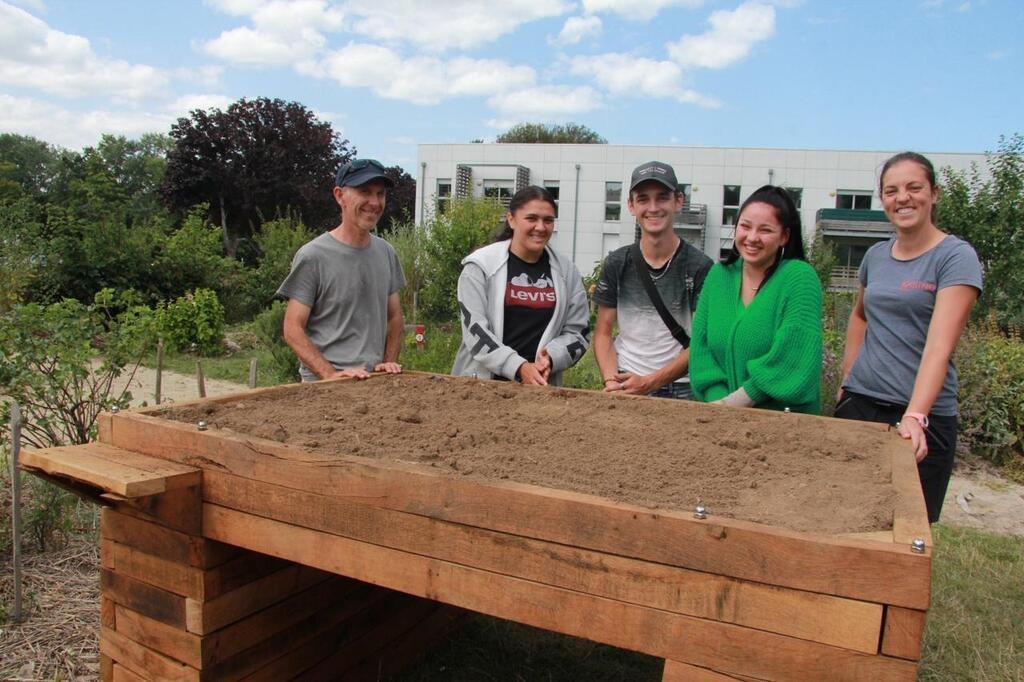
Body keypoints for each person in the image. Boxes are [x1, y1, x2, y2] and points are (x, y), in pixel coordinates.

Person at [835, 152, 982, 523]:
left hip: (921, 417)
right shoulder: (875, 256)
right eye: (891, 190)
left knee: (906, 528)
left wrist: (915, 415)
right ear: (882, 199)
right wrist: (847, 378)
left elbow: (939, 346)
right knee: (850, 515)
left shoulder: (955, 257)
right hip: (862, 404)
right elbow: (860, 315)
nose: (903, 198)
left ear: (934, 193)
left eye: (914, 187)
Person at [689, 185, 822, 413]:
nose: (752, 238)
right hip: (721, 416)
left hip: (781, 423)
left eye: (765, 230)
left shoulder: (799, 278)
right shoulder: (719, 276)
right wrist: (718, 402)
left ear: (784, 236)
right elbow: (701, 349)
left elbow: (793, 356)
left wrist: (735, 402)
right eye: (745, 226)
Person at [593, 161, 713, 399]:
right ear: (631, 205)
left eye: (662, 198)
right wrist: (611, 380)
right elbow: (603, 332)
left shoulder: (700, 266)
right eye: (643, 199)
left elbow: (701, 341)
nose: (653, 207)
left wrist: (650, 382)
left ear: (678, 201)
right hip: (625, 382)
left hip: (682, 388)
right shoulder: (617, 263)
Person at [278, 158, 405, 381]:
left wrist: (388, 361)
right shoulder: (313, 256)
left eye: (380, 194)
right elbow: (292, 327)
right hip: (326, 388)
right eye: (365, 192)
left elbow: (394, 317)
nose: (374, 202)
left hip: (373, 381)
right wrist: (331, 374)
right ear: (339, 196)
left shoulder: (386, 252)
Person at [452, 186, 590, 385]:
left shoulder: (567, 272)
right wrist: (519, 367)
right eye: (531, 218)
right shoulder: (481, 266)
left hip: (539, 390)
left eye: (548, 220)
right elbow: (475, 332)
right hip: (480, 389)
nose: (541, 227)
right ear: (511, 219)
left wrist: (550, 357)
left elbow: (579, 332)